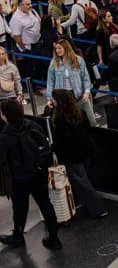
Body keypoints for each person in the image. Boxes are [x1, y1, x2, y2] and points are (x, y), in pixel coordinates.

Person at [0, 99, 61, 250]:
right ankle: (54, 238)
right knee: (45, 203)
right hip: (39, 172)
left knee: (20, 208)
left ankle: (18, 236)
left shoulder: (5, 136)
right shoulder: (32, 125)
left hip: (19, 178)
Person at [50, 89, 107, 218]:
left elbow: (61, 140)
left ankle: (98, 209)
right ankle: (85, 203)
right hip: (85, 151)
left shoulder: (60, 118)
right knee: (84, 180)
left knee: (82, 182)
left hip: (71, 155)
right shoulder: (80, 113)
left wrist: (55, 149)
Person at [46, 39, 96, 126]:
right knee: (67, 124)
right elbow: (50, 82)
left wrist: (87, 92)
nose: (57, 51)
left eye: (59, 48)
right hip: (63, 99)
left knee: (92, 121)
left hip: (79, 96)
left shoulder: (78, 60)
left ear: (66, 48)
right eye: (56, 49)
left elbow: (85, 78)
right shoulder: (53, 62)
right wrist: (49, 98)